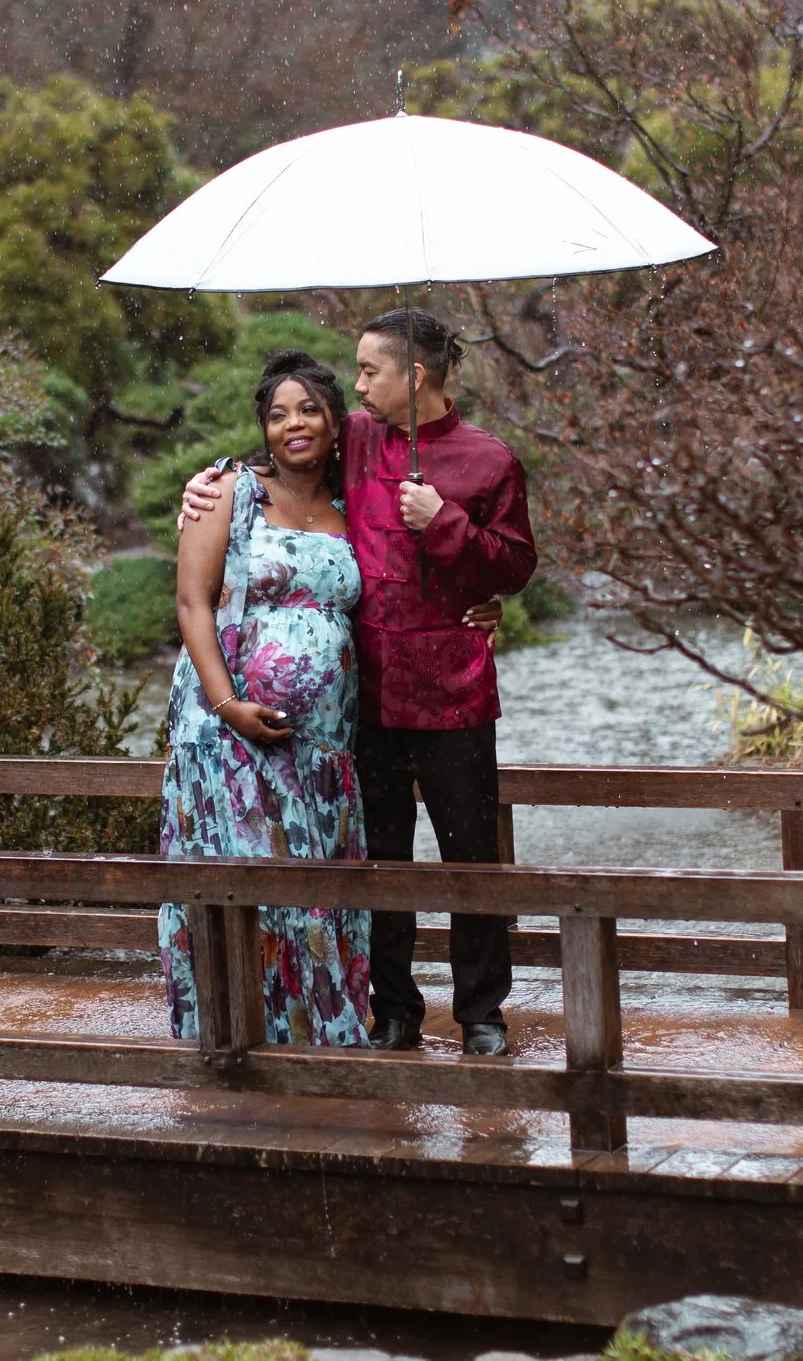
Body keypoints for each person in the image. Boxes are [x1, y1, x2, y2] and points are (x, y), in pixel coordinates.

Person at [184, 309, 536, 1056]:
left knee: (472, 858)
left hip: (455, 691)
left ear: (415, 375)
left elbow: (513, 566)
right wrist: (207, 482)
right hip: (364, 702)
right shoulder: (359, 439)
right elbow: (288, 450)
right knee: (378, 862)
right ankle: (396, 1010)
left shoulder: (490, 460)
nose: (359, 383)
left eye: (371, 369)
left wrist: (444, 522)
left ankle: (482, 1013)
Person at [159, 349, 371, 1045]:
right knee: (246, 882)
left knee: (311, 887)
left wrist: (483, 608)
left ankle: (313, 1032)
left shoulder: (355, 507)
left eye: (309, 410)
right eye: (278, 415)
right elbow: (192, 604)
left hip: (322, 748)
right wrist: (229, 706)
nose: (294, 424)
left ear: (336, 424)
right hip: (226, 735)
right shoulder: (228, 490)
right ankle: (236, 1036)